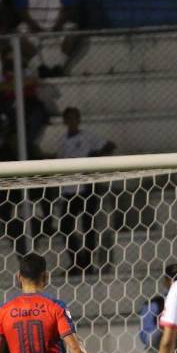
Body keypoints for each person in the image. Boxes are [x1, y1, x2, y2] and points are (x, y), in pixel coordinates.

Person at [55, 107, 115, 276]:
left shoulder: (88, 137)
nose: (72, 121)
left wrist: (94, 159)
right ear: (65, 121)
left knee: (88, 227)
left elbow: (110, 145)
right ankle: (77, 262)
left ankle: (87, 265)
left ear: (79, 119)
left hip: (86, 187)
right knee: (65, 227)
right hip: (68, 189)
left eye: (75, 118)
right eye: (69, 118)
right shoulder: (62, 141)